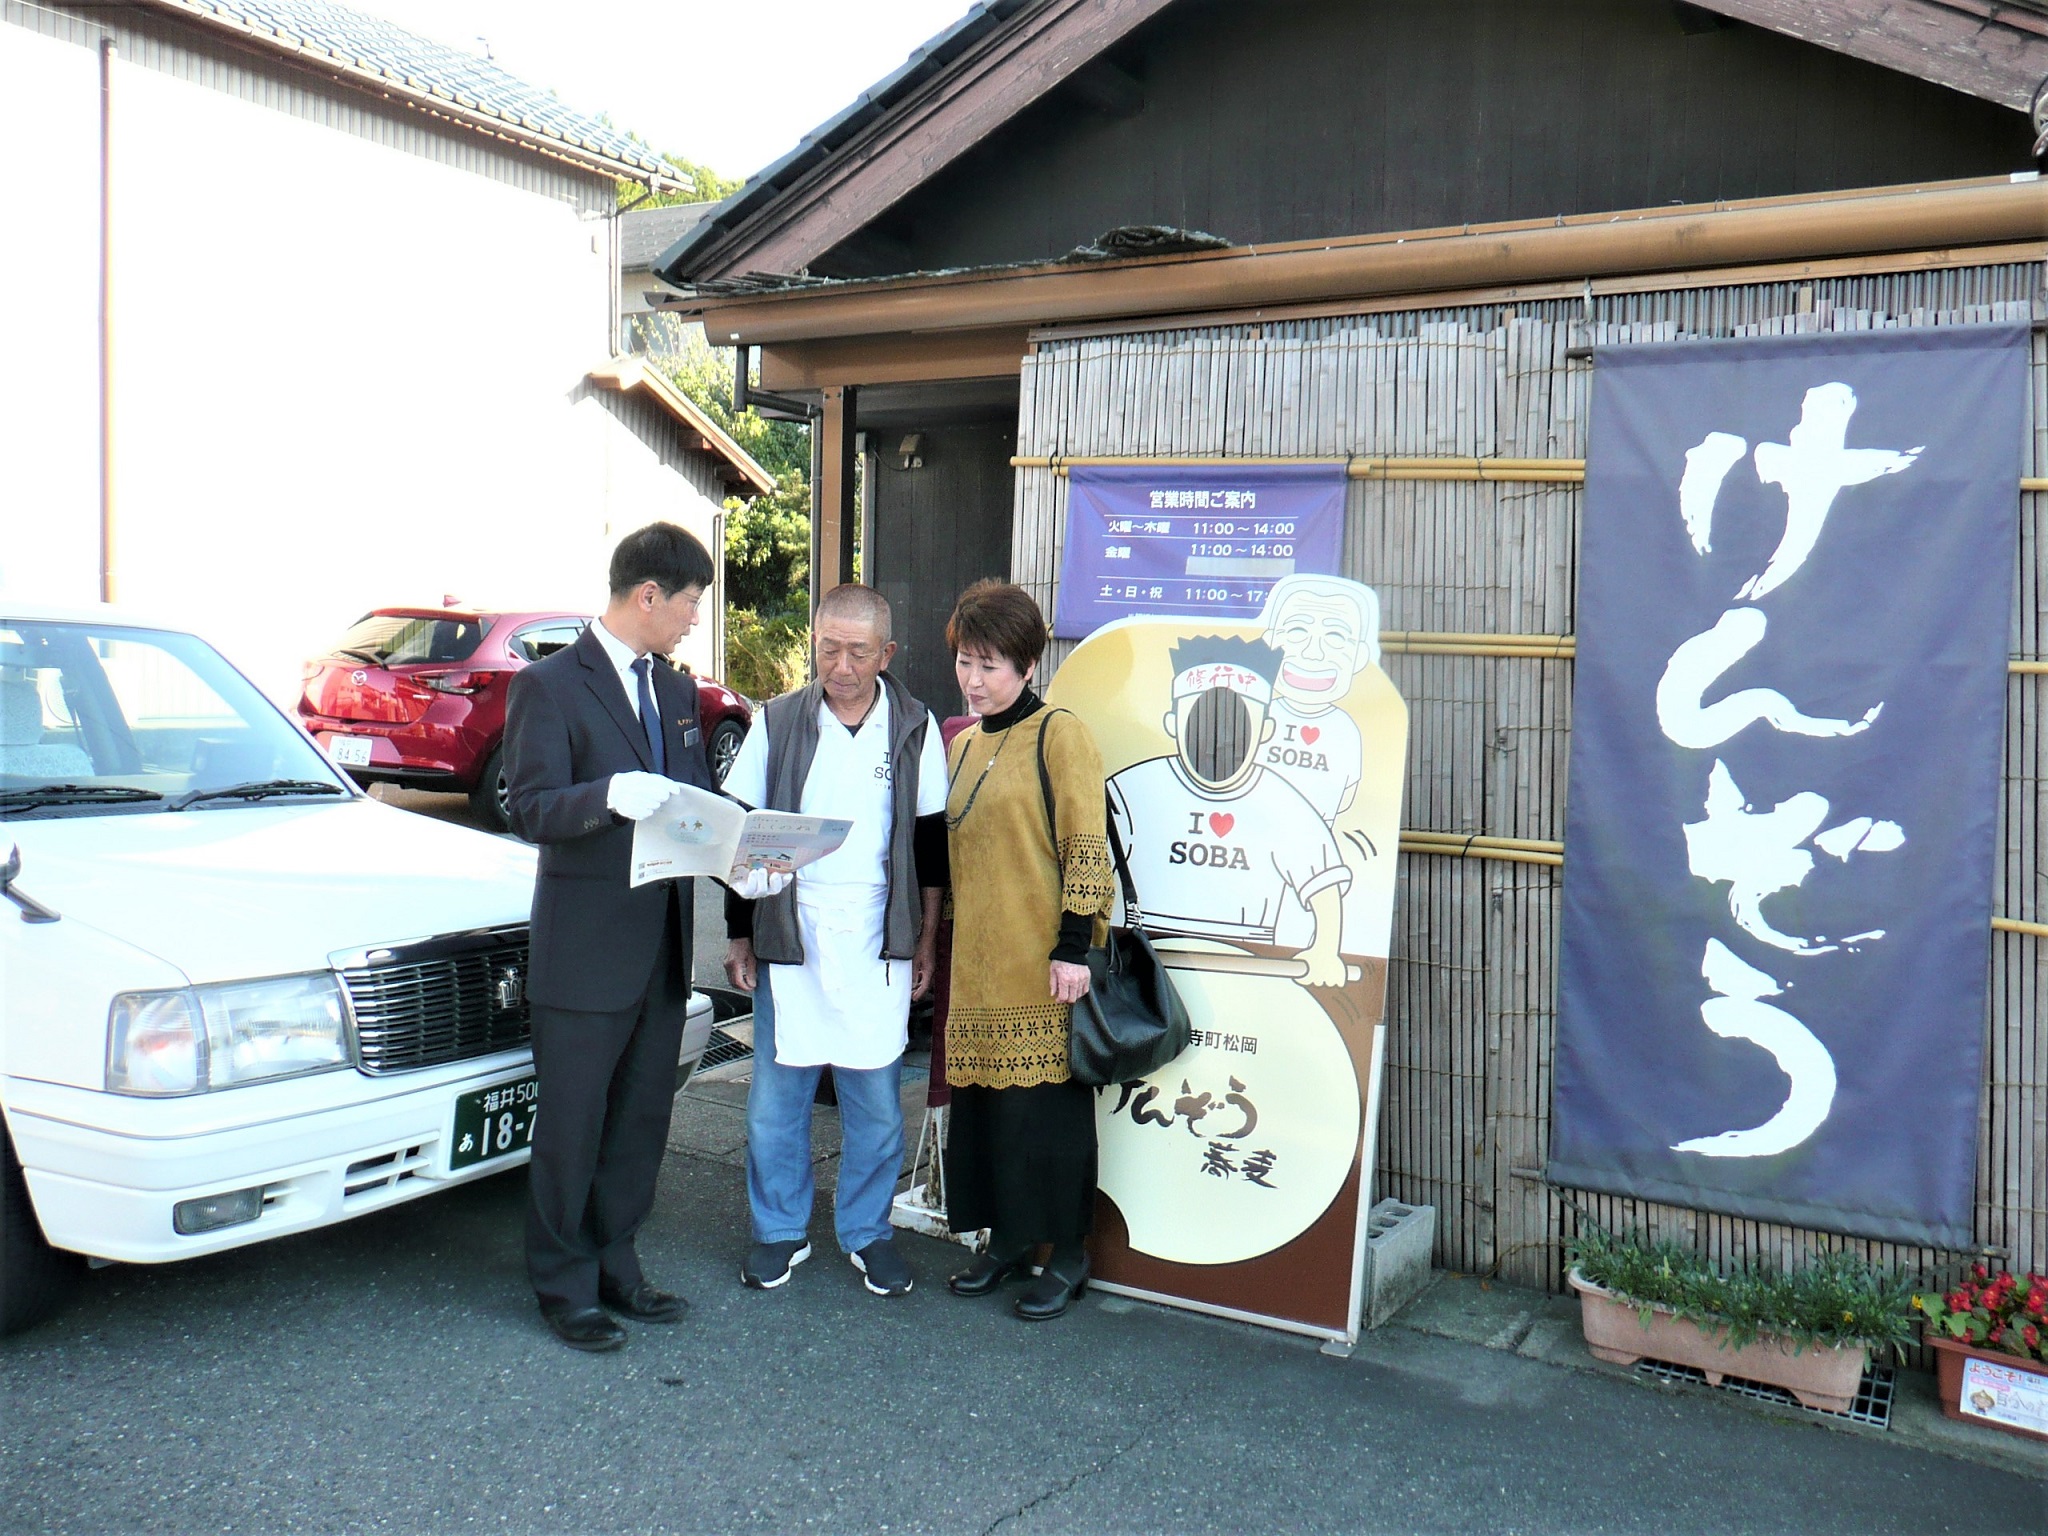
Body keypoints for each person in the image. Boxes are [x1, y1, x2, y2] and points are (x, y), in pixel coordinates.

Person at [502, 521, 717, 1353]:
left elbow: (696, 799)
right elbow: (527, 809)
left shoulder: (672, 690)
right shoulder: (549, 687)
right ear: (648, 595)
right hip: (585, 950)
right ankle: (562, 1283)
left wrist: (745, 853)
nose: (695, 618)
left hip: (661, 942)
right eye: (691, 602)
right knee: (571, 1124)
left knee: (638, 1120)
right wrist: (605, 796)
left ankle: (618, 1262)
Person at [721, 584, 949, 1297]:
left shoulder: (912, 726)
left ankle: (867, 1232)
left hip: (878, 932)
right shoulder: (778, 721)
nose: (841, 665)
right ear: (813, 643)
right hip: (791, 926)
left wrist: (927, 942)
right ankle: (778, 1230)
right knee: (775, 1101)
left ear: (886, 653)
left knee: (875, 1102)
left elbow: (930, 843)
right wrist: (737, 935)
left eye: (858, 651)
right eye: (828, 647)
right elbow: (740, 833)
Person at [939, 580, 1114, 1321]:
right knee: (984, 1116)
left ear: (1026, 666)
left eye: (990, 666)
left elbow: (1085, 844)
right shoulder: (959, 743)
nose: (974, 681)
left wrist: (1074, 946)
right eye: (964, 663)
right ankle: (1007, 1242)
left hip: (1043, 964)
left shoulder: (1059, 733)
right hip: (976, 966)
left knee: (1046, 1119)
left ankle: (1068, 1256)